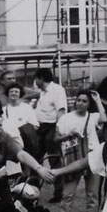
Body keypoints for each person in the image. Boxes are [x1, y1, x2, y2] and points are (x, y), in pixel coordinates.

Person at [52, 88, 106, 212]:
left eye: (84, 101)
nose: (80, 103)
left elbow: (104, 118)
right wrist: (68, 135)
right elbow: (55, 138)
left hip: (92, 156)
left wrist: (98, 100)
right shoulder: (65, 118)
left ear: (89, 104)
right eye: (78, 100)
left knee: (92, 195)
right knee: (67, 195)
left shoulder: (93, 116)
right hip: (73, 158)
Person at [33, 67, 69, 202]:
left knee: (54, 160)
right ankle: (33, 190)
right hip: (41, 128)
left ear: (41, 78)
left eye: (36, 78)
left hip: (52, 127)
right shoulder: (43, 92)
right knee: (35, 158)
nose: (35, 81)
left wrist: (58, 132)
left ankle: (59, 193)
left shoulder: (57, 90)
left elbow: (61, 111)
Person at [0, 82, 39, 155]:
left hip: (27, 143)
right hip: (11, 143)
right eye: (11, 91)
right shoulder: (3, 110)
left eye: (16, 92)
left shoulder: (27, 108)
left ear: (20, 94)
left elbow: (35, 126)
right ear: (7, 94)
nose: (14, 93)